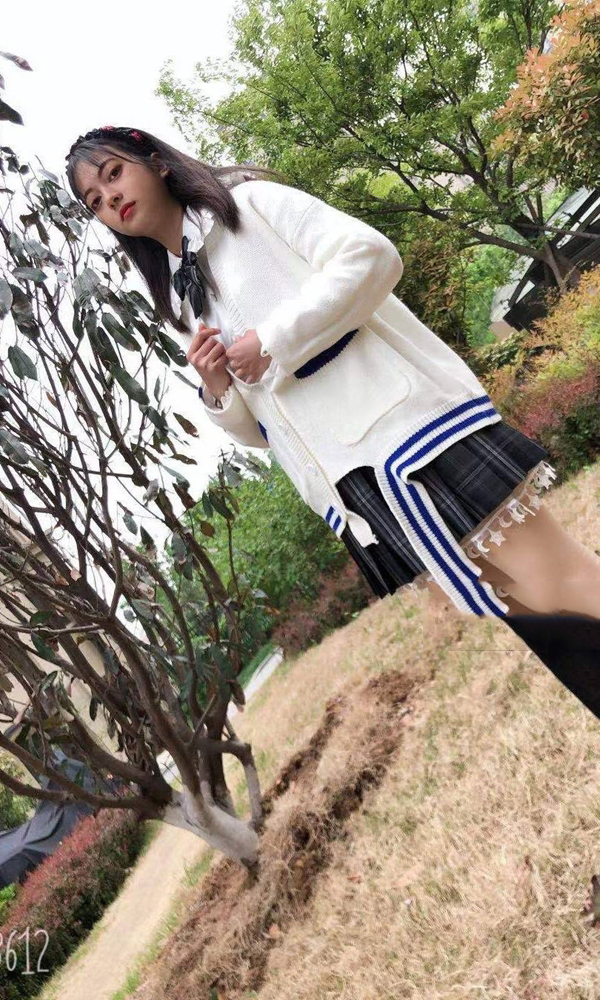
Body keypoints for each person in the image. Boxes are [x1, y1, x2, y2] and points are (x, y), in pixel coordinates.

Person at [65, 126, 600, 709]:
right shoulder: (180, 302)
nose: (110, 198)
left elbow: (371, 256)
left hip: (411, 429)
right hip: (351, 481)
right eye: (94, 200)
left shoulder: (250, 205)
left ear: (156, 162)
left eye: (113, 173)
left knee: (558, 582)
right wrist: (217, 390)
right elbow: (264, 432)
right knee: (532, 616)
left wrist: (272, 339)